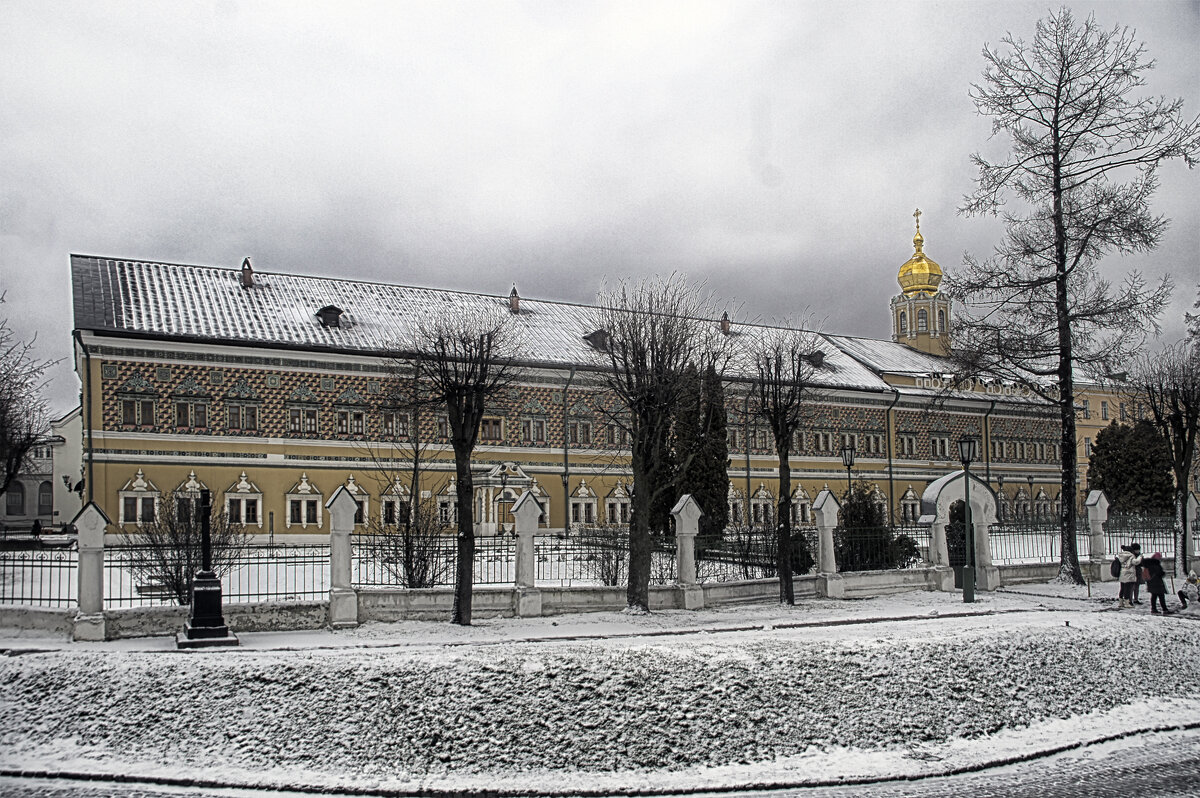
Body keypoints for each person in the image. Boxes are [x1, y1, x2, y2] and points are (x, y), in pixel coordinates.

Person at [1117, 543, 1142, 609]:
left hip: (1122, 574)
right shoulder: (1130, 556)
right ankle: (1127, 602)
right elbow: (1136, 562)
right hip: (1129, 574)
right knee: (1128, 589)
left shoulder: (1121, 556)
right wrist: (1140, 557)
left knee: (1122, 589)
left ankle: (1120, 602)